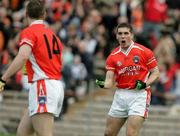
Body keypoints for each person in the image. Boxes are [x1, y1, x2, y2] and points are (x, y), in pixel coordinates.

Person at [0, 0, 64, 136]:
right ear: (44, 14)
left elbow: (23, 55)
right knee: (22, 133)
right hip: (54, 84)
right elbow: (52, 61)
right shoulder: (53, 35)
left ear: (26, 14)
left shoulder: (29, 32)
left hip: (43, 86)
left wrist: (3, 79)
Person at [96, 23, 160, 136]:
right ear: (116, 36)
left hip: (139, 95)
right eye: (120, 33)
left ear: (132, 35)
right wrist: (101, 83)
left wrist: (145, 84)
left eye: (126, 33)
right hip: (120, 95)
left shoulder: (144, 51)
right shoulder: (112, 56)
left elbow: (155, 73)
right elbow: (109, 82)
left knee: (131, 133)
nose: (123, 36)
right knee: (108, 133)